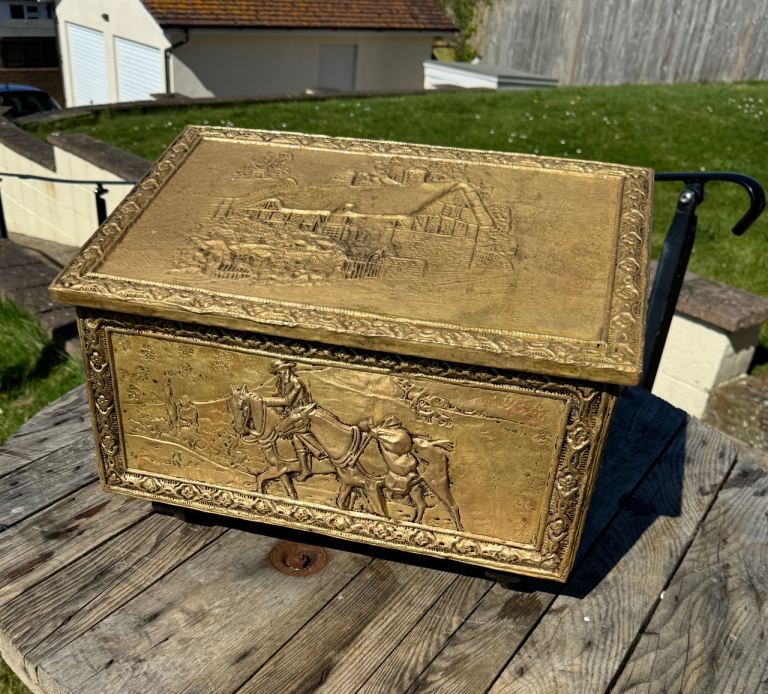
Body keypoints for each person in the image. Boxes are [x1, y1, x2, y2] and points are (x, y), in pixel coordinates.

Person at [268, 360, 314, 481]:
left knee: (293, 435)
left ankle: (305, 468)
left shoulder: (296, 383)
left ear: (287, 370)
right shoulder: (280, 381)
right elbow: (279, 395)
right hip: (291, 412)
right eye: (278, 372)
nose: (279, 374)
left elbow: (287, 400)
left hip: (303, 412)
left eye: (281, 372)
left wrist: (266, 401)